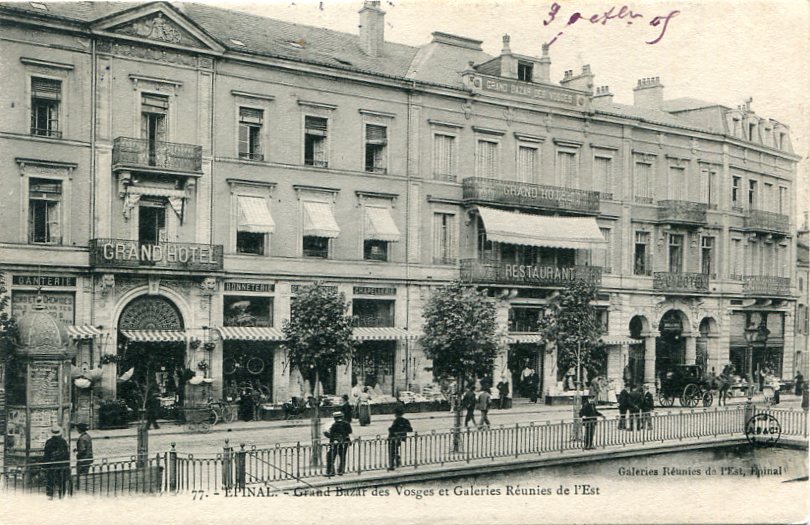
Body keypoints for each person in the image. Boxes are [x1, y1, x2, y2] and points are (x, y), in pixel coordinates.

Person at [43, 425, 70, 498]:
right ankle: (62, 494)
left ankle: (50, 495)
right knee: (61, 481)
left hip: (52, 465)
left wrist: (46, 465)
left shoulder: (49, 442)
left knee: (50, 481)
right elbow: (66, 454)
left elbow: (46, 455)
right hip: (62, 465)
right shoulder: (63, 442)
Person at [324, 411, 352, 476]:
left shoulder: (334, 425)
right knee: (342, 457)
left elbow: (330, 435)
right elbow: (349, 432)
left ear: (334, 418)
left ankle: (330, 471)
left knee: (330, 457)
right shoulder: (346, 424)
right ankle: (341, 471)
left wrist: (325, 433)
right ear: (342, 417)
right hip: (344, 443)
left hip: (334, 444)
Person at [387, 406, 413, 470]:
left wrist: (394, 431)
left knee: (392, 452)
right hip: (399, 438)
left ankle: (392, 465)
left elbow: (392, 429)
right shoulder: (405, 420)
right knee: (395, 451)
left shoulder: (397, 420)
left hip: (393, 438)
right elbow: (410, 429)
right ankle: (397, 461)